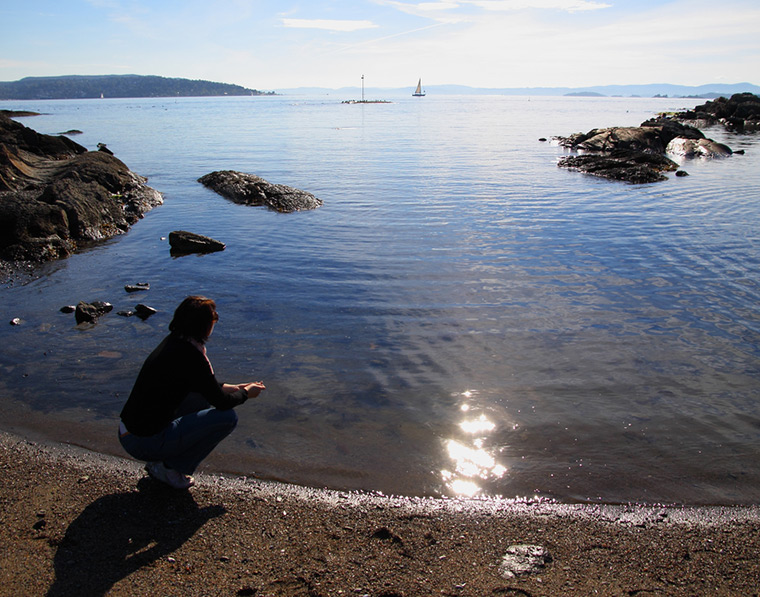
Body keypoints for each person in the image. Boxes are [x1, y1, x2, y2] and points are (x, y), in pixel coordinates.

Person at [118, 295, 265, 489]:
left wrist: (235, 387)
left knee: (201, 399)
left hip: (128, 432)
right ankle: (169, 469)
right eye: (213, 319)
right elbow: (222, 403)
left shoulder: (175, 342)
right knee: (228, 418)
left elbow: (202, 385)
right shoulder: (191, 356)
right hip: (142, 442)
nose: (215, 323)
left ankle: (162, 462)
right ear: (203, 325)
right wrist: (246, 394)